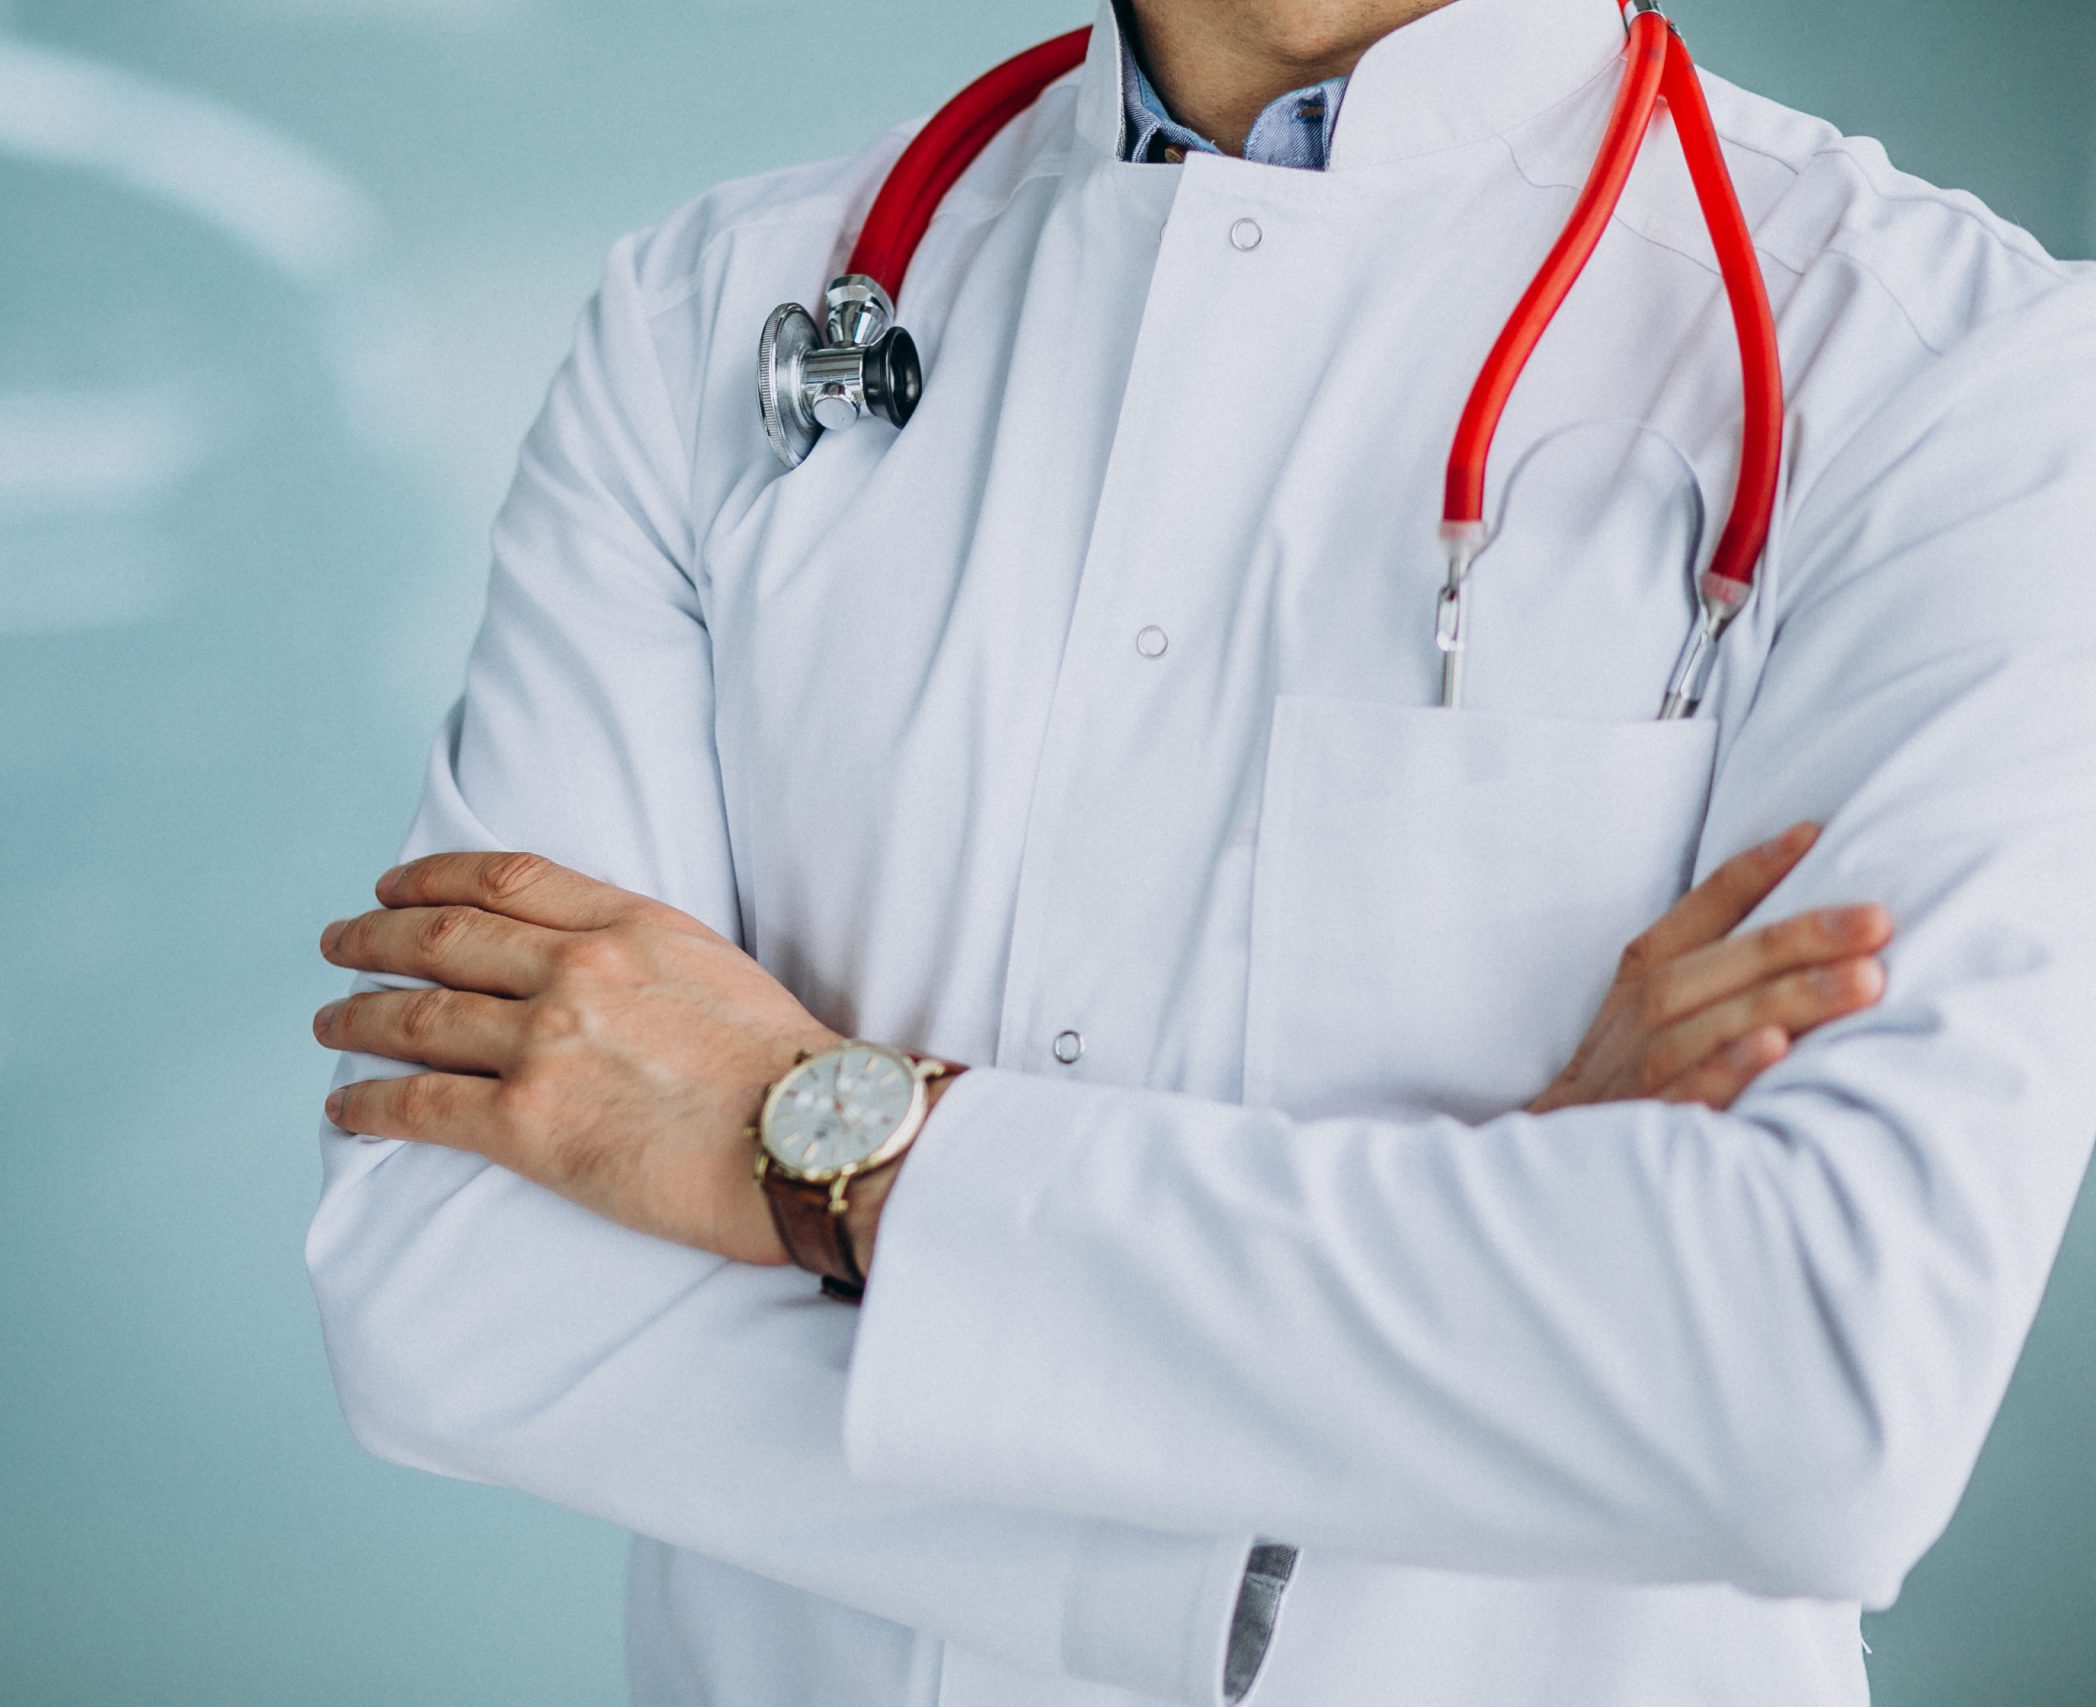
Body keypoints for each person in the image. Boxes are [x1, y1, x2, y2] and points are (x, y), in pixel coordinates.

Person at [304, 0, 2096, 1701]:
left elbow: (1812, 1386)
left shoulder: (1952, 376)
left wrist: (824, 1142)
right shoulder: (715, 312)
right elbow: (452, 1278)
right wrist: (1505, 1281)